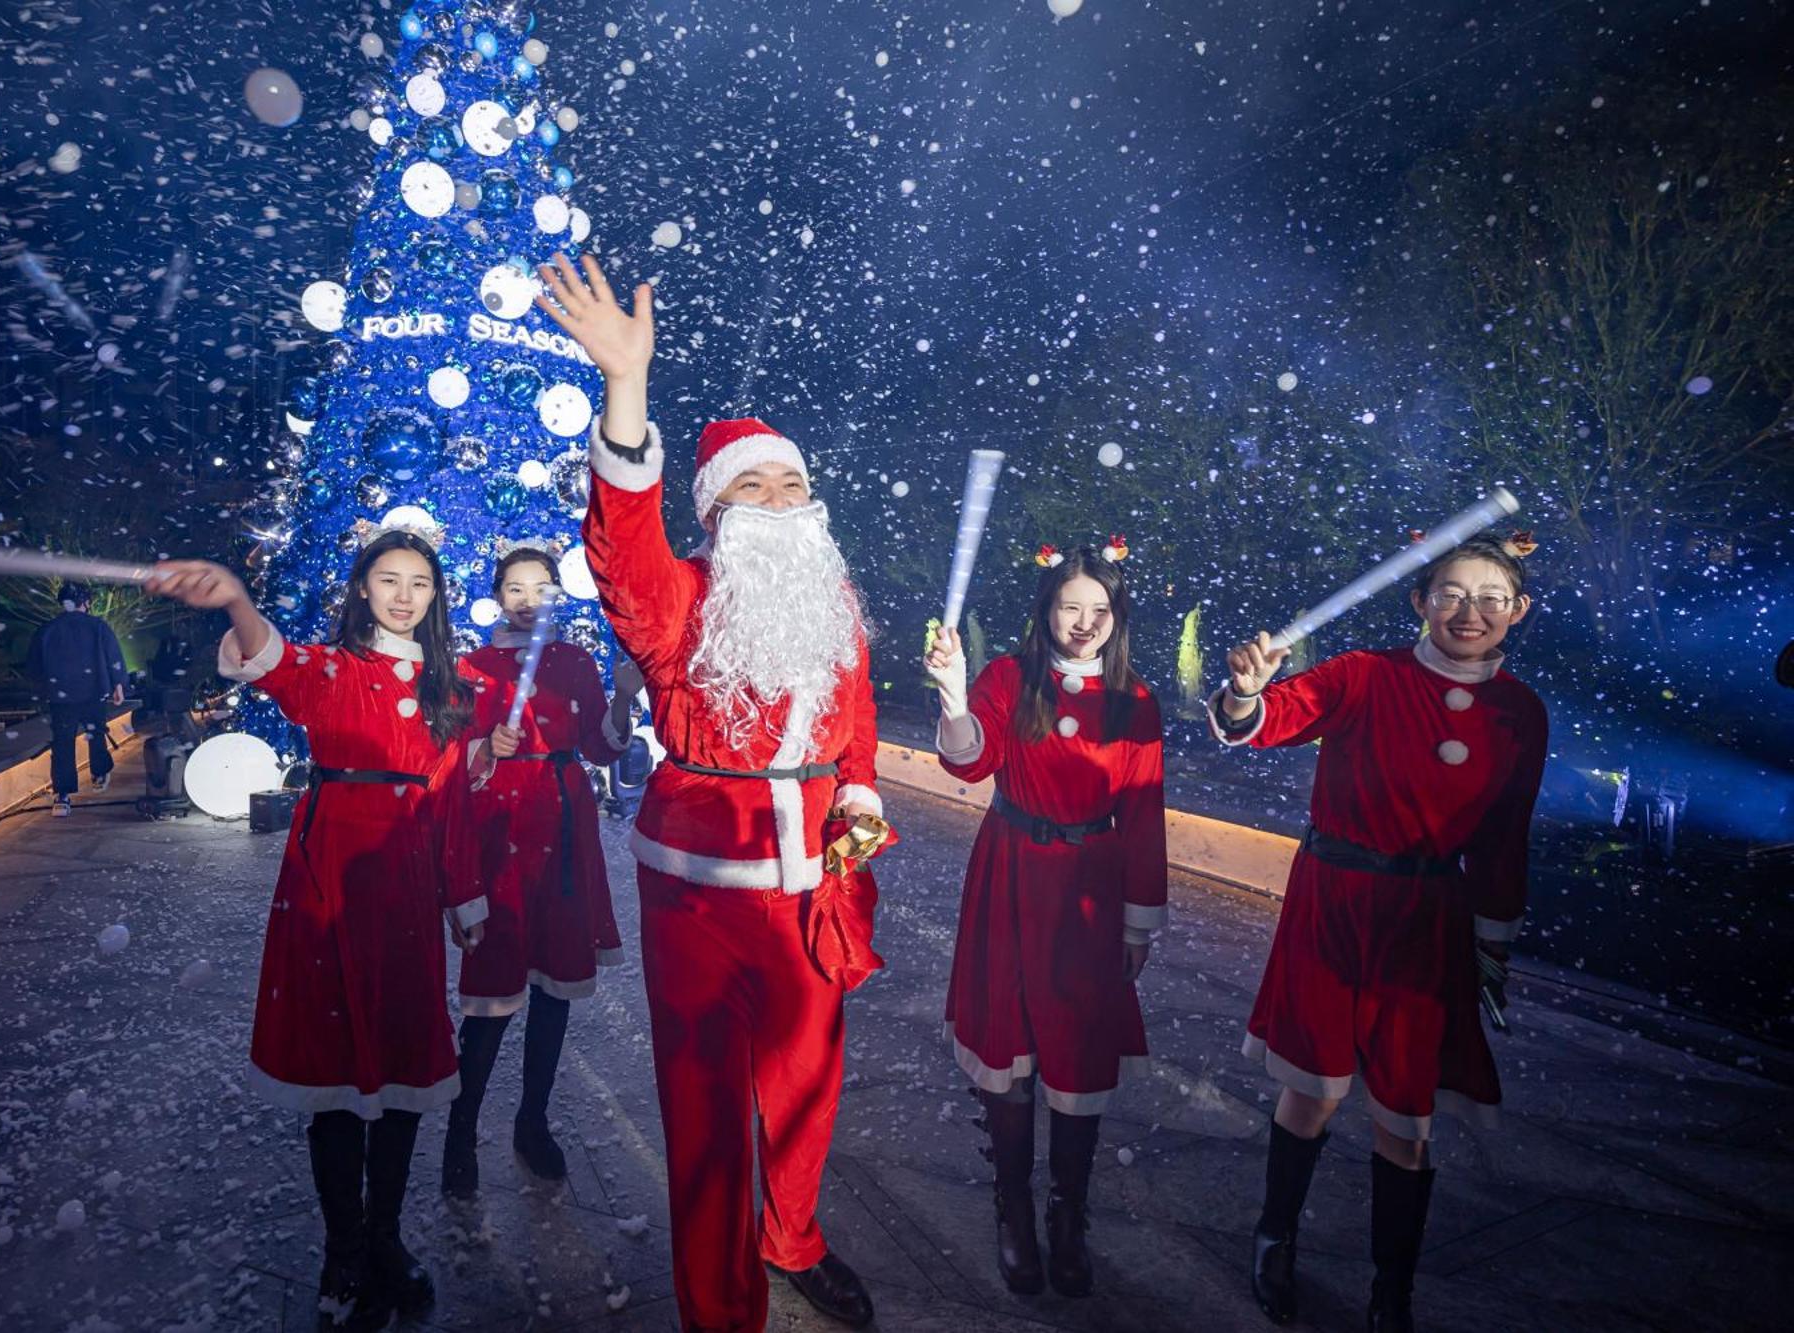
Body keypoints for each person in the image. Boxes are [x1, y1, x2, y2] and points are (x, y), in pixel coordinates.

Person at [539, 252, 885, 1333]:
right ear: (714, 513)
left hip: (812, 882)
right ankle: (720, 1309)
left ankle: (792, 1238)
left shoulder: (831, 602)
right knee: (702, 1109)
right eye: (751, 486)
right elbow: (620, 549)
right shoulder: (675, 599)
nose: (779, 502)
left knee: (806, 1088)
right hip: (699, 888)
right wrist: (625, 390)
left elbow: (858, 722)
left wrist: (861, 795)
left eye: (791, 484)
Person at [144, 528, 490, 1332]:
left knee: (403, 1066)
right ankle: (343, 1248)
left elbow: (454, 801)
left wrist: (462, 894)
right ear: (363, 589)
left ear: (434, 597)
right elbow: (267, 653)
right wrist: (233, 595)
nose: (404, 595)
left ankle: (385, 1240)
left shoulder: (454, 685)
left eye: (419, 583)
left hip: (407, 884)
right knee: (335, 1074)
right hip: (331, 878)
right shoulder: (330, 671)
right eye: (387, 579)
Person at [1208, 534, 1548, 1333]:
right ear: (1419, 600)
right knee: (1314, 1087)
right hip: (1333, 899)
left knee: (1407, 1114)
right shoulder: (1365, 674)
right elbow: (1272, 718)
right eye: (1452, 594)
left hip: (1426, 920)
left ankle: (1391, 1291)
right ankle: (1274, 1239)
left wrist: (1491, 945)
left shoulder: (1522, 713)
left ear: (1518, 611)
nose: (1471, 613)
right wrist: (1245, 696)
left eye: (1491, 598)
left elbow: (1504, 837)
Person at [923, 541, 1167, 1299]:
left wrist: (1136, 922)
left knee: (1078, 1050)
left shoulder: (1136, 700)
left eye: (1100, 610)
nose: (1085, 623)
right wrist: (956, 700)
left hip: (1091, 889)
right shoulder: (1009, 677)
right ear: (1046, 610)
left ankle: (1068, 1213)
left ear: (1116, 618)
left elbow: (1144, 814)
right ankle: (1014, 1209)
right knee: (1012, 1044)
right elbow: (970, 762)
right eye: (1071, 606)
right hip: (1011, 872)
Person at [440, 541, 643, 1199]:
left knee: (555, 987)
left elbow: (600, 746)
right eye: (515, 589)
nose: (529, 602)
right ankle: (461, 1129)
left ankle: (533, 1118)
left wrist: (621, 698)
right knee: (492, 995)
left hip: (562, 829)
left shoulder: (575, 662)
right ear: (497, 595)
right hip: (499, 835)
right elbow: (445, 758)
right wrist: (482, 748)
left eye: (541, 589)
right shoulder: (470, 666)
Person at [25, 582, 128, 815]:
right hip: (93, 691)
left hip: (60, 696)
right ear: (86, 602)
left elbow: (33, 667)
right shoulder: (97, 627)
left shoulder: (47, 629)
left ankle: (62, 797)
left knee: (62, 742)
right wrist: (118, 684)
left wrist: (44, 690)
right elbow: (114, 656)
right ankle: (99, 773)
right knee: (96, 734)